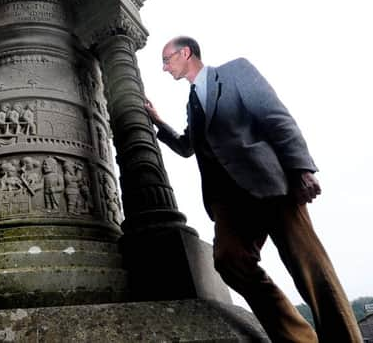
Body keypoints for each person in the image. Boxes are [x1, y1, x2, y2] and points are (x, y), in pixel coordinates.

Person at [145, 36, 361, 343]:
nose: (165, 68)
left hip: (270, 183)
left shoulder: (235, 72)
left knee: (309, 267)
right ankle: (300, 338)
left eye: (167, 60)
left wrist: (302, 169)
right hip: (229, 202)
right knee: (230, 261)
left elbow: (275, 117)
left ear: (186, 52)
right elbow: (187, 145)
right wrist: (158, 122)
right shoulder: (192, 103)